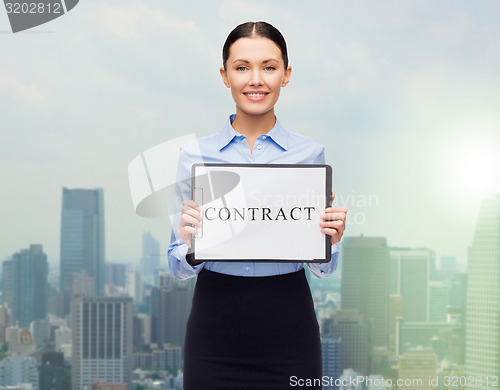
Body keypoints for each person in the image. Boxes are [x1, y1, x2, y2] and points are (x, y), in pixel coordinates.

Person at [167, 21, 347, 390]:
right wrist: (190, 244)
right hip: (214, 323)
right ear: (225, 75)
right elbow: (177, 267)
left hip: (289, 324)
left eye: (269, 67)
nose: (256, 80)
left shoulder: (310, 154)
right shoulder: (194, 155)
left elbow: (324, 269)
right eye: (241, 67)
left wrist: (329, 240)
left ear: (286, 74)